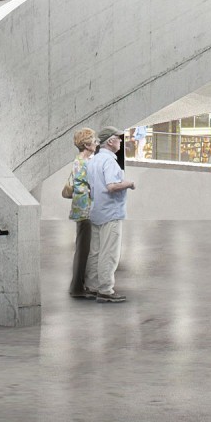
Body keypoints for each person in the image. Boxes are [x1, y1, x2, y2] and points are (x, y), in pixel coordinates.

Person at [85, 126, 136, 303]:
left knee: (95, 251)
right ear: (110, 141)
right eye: (118, 138)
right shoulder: (110, 162)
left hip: (96, 211)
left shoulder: (93, 161)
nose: (121, 141)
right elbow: (112, 186)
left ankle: (91, 286)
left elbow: (90, 188)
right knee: (109, 252)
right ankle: (105, 290)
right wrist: (129, 183)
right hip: (110, 212)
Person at [63, 128, 97, 298]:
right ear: (86, 144)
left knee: (82, 247)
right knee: (83, 248)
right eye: (94, 141)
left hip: (80, 208)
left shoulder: (78, 160)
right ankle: (77, 287)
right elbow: (90, 187)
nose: (96, 143)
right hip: (85, 209)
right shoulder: (85, 163)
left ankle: (78, 285)